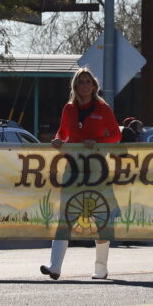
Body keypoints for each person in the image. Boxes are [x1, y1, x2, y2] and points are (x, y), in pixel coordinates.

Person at [41, 67, 119, 281]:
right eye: (81, 82)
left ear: (94, 86)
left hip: (96, 169)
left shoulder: (103, 108)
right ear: (75, 86)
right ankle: (54, 266)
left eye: (88, 81)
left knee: (100, 218)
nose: (84, 85)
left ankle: (101, 268)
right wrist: (58, 139)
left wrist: (98, 142)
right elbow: (63, 132)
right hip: (72, 168)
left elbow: (116, 135)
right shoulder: (69, 108)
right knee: (65, 215)